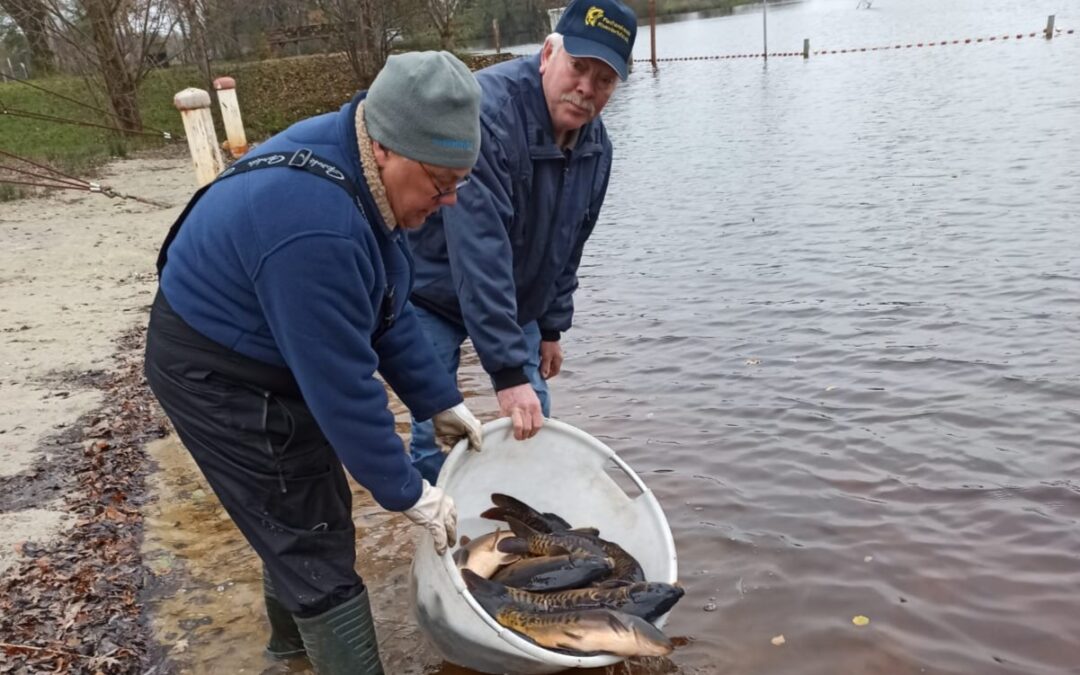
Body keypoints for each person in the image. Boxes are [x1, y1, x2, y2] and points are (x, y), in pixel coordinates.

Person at [144, 52, 485, 674]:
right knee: (309, 533)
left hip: (273, 335)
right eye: (442, 184)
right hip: (213, 366)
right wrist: (409, 492)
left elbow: (383, 306)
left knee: (310, 499)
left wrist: (437, 399)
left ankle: (289, 654)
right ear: (387, 148)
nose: (451, 200)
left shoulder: (358, 160)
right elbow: (344, 386)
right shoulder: (315, 226)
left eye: (460, 183)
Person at [406, 0, 638, 484]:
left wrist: (551, 326)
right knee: (435, 423)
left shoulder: (597, 147)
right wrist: (508, 374)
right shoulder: (485, 117)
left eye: (604, 80)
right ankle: (434, 520)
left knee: (537, 417)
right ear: (548, 53)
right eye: (579, 67)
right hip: (434, 288)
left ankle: (526, 502)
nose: (586, 89)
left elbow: (569, 245)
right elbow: (478, 249)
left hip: (519, 301)